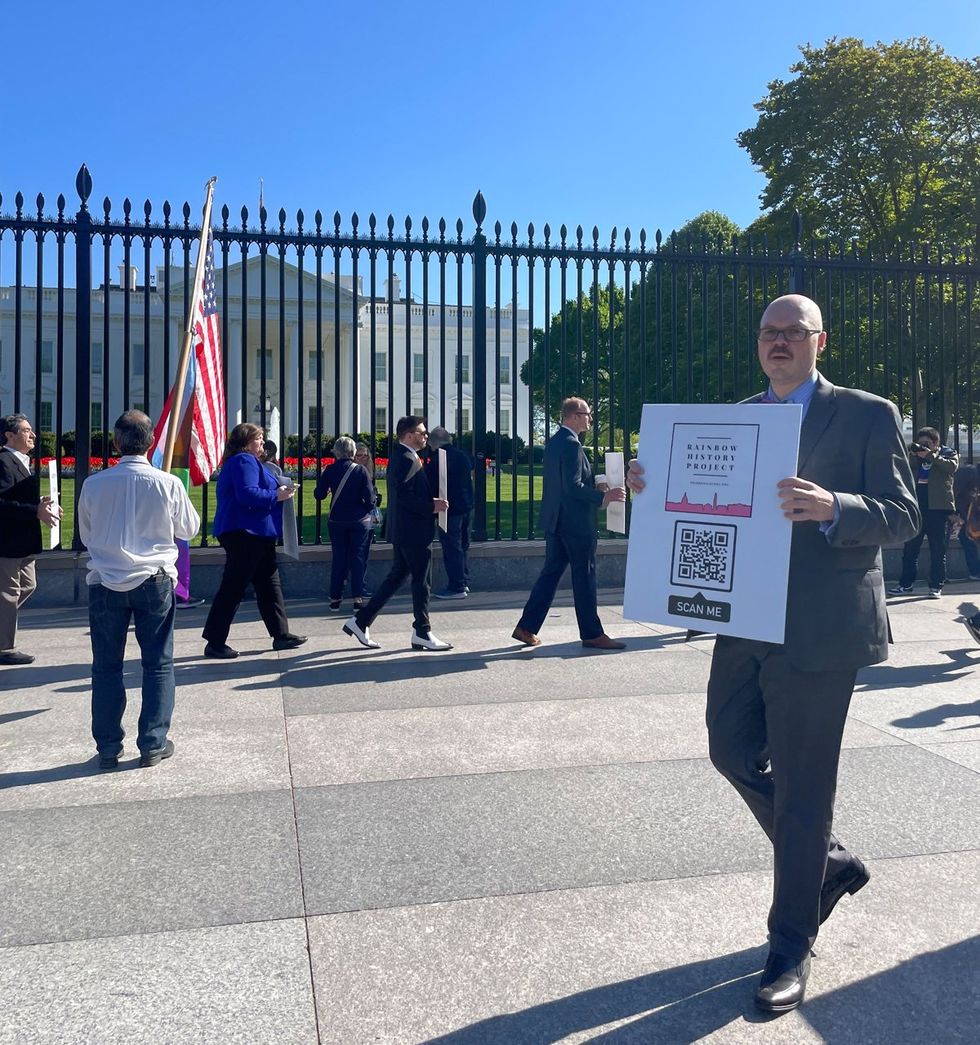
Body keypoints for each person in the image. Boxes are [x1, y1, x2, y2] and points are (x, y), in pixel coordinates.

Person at [628, 293, 918, 1013]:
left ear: (823, 340)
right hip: (746, 620)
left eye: (793, 331)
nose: (779, 341)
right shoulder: (733, 418)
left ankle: (789, 941)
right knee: (728, 748)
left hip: (823, 630)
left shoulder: (868, 412)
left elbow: (906, 514)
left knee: (803, 787)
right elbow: (703, 508)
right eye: (768, 332)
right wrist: (653, 486)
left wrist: (834, 508)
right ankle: (825, 863)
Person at [77, 411, 200, 769]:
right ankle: (152, 742)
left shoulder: (94, 484)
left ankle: (108, 746)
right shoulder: (167, 483)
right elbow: (189, 528)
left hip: (105, 580)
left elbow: (87, 535)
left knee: (105, 667)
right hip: (154, 578)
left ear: (116, 443)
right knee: (158, 665)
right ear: (150, 442)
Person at [512, 397, 626, 650]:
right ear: (573, 416)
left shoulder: (555, 443)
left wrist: (594, 486)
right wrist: (602, 496)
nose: (590, 419)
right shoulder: (572, 446)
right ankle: (592, 633)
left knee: (550, 574)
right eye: (587, 414)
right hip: (575, 524)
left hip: (556, 521)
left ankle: (526, 627)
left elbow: (565, 485)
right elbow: (572, 486)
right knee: (584, 576)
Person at [343, 416, 451, 651]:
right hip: (413, 531)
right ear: (409, 435)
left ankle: (360, 621)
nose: (426, 436)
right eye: (422, 433)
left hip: (407, 530)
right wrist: (431, 506)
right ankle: (422, 631)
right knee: (422, 582)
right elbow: (404, 497)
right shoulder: (404, 458)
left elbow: (408, 494)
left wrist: (429, 501)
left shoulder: (408, 457)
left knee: (397, 578)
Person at [201, 423, 307, 658]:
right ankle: (215, 641)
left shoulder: (245, 462)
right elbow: (247, 493)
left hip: (254, 533)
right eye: (259, 438)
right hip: (246, 533)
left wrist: (279, 489)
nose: (262, 442)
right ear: (247, 442)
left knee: (269, 584)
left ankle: (280, 634)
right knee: (234, 587)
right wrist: (277, 494)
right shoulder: (243, 461)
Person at [0, 414, 62, 665]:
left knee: (28, 586)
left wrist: (43, 506)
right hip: (8, 542)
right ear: (9, 436)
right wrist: (33, 510)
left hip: (23, 541)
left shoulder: (20, 461)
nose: (33, 435)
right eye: (26, 430)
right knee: (8, 593)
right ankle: (5, 648)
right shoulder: (3, 462)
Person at [888, 427, 957, 598]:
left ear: (935, 443)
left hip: (938, 510)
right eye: (921, 443)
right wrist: (914, 455)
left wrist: (930, 455)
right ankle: (906, 584)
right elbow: (902, 470)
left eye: (927, 443)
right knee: (910, 548)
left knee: (938, 549)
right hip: (917, 508)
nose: (923, 446)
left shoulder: (948, 453)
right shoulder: (916, 457)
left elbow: (951, 468)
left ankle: (936, 585)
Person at [315, 436, 377, 612]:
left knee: (339, 558)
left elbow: (319, 494)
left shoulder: (330, 469)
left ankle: (335, 598)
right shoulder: (360, 471)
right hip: (358, 521)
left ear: (336, 451)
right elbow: (370, 500)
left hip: (337, 520)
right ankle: (357, 598)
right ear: (353, 452)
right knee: (357, 557)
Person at [425, 426, 474, 599]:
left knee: (451, 547)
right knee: (463, 546)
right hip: (466, 507)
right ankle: (463, 580)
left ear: (433, 443)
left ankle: (457, 585)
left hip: (448, 510)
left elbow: (430, 486)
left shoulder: (438, 459)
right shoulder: (462, 455)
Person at [952, 460, 980, 580]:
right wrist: (954, 512)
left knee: (970, 543)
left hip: (970, 514)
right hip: (963, 513)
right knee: (969, 542)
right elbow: (952, 491)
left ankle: (975, 571)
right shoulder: (969, 472)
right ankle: (975, 572)